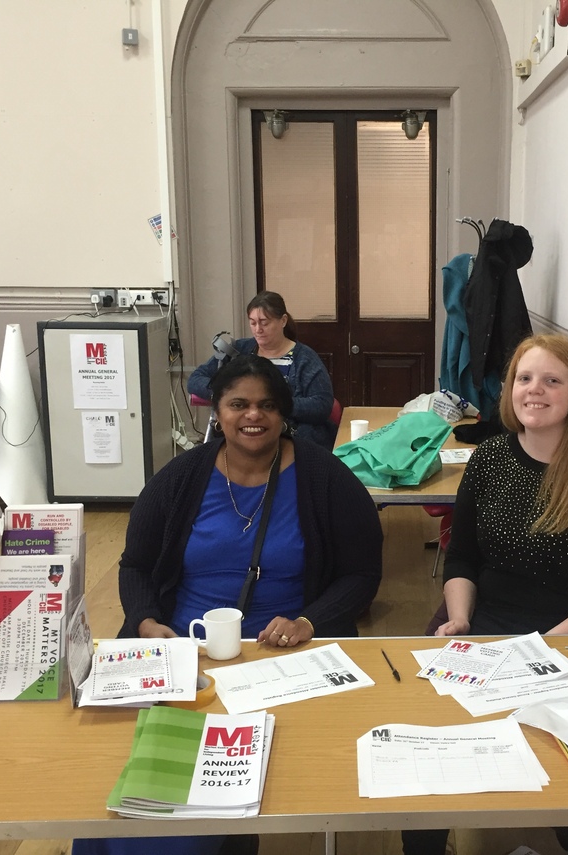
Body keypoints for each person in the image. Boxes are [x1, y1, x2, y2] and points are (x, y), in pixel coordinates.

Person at [75, 354, 382, 855]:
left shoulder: (323, 476)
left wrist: (310, 620)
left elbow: (362, 573)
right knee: (119, 805)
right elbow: (135, 565)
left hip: (279, 658)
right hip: (183, 656)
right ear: (217, 410)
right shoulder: (182, 477)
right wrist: (147, 620)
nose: (252, 416)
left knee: (204, 801)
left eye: (266, 405)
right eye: (238, 404)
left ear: (284, 413)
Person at [405, 333, 568, 855]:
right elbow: (463, 557)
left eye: (551, 380)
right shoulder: (489, 458)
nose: (534, 390)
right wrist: (458, 619)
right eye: (524, 378)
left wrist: (535, 650)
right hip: (485, 619)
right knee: (428, 736)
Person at [188, 291, 336, 449]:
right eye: (253, 323)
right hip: (240, 439)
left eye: (264, 323)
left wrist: (276, 404)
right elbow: (196, 378)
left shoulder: (304, 359)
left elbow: (322, 405)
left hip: (289, 440)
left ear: (283, 321)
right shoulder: (238, 350)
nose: (258, 329)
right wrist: (223, 395)